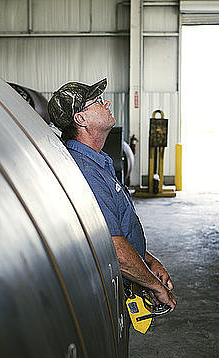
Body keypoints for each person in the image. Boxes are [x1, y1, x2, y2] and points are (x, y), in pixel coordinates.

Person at [48, 78, 176, 311]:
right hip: (101, 297)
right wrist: (155, 286)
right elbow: (114, 250)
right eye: (96, 101)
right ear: (81, 119)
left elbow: (115, 228)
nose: (106, 103)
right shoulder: (85, 171)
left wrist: (147, 261)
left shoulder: (97, 162)